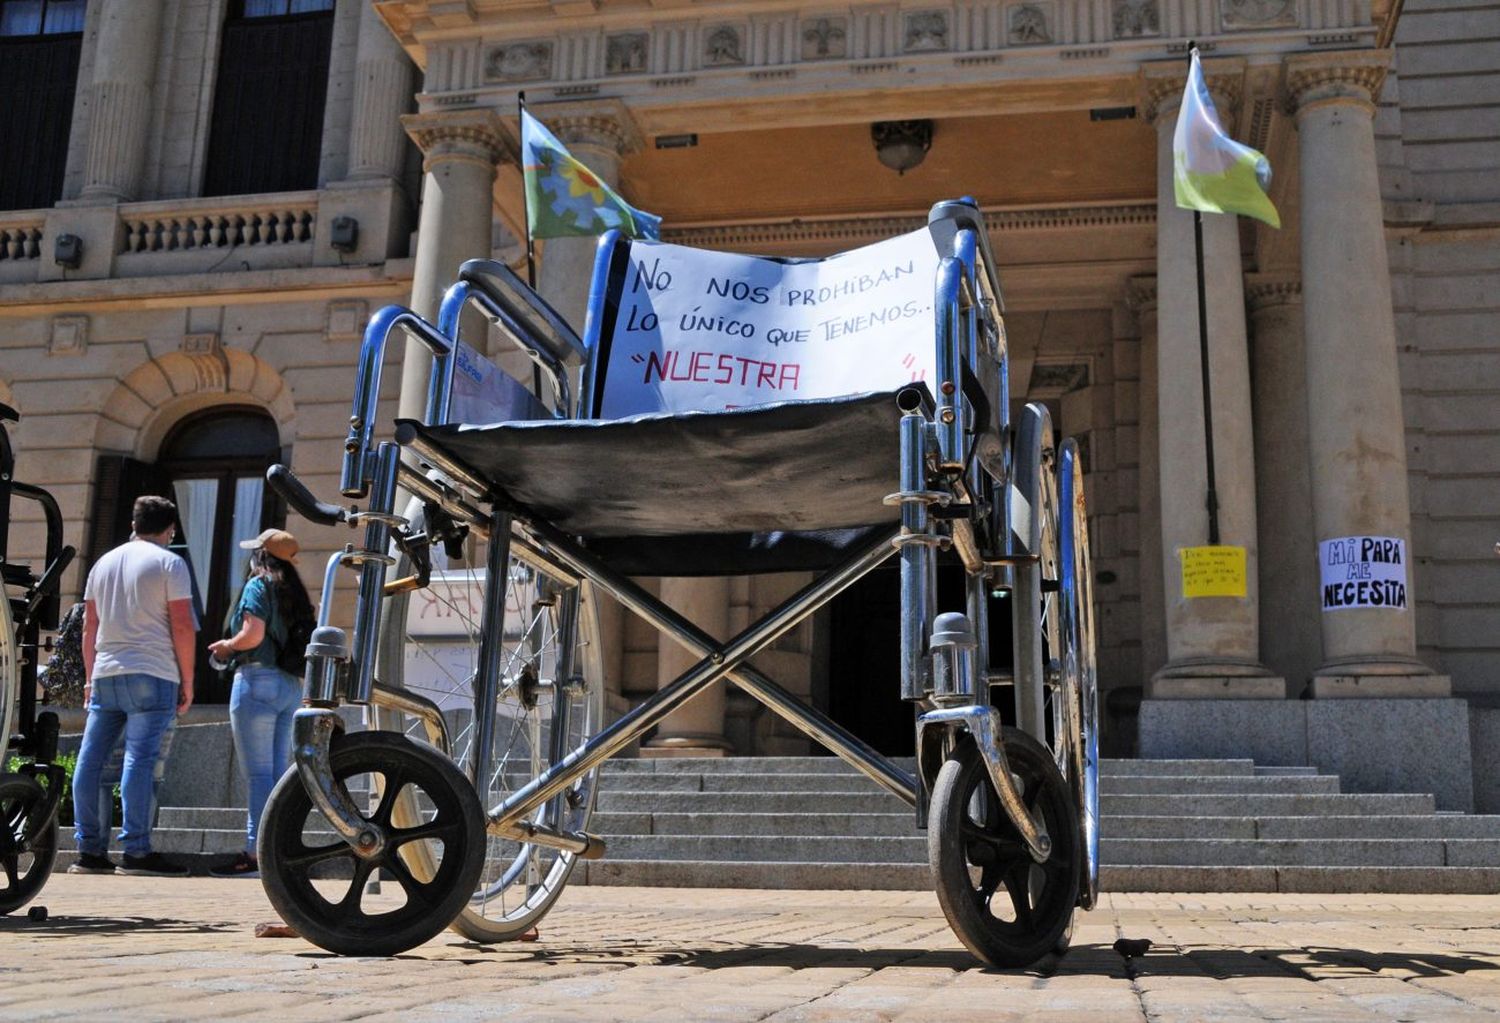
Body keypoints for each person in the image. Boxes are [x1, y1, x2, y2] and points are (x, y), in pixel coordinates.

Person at [69, 495, 197, 877]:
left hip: (106, 671)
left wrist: (90, 677)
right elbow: (181, 625)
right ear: (170, 529)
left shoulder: (102, 564)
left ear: (134, 523)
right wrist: (188, 680)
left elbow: (88, 627)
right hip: (153, 671)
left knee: (90, 761)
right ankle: (136, 852)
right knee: (138, 761)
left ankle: (88, 850)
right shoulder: (170, 563)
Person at [207, 528, 311, 878]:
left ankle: (255, 854)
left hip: (257, 680)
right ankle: (278, 849)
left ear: (260, 556)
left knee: (258, 776)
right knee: (278, 774)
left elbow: (252, 634)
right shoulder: (294, 592)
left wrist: (226, 646)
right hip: (289, 687)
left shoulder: (258, 585)